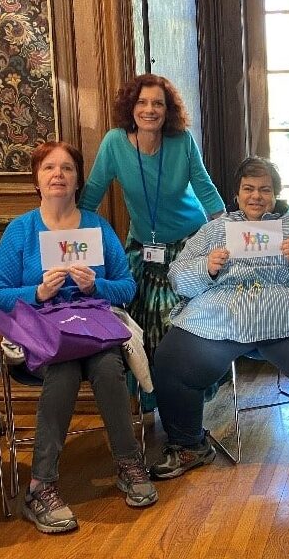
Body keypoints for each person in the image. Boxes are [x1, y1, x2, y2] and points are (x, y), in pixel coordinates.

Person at [148, 156, 289, 484]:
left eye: (264, 189)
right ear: (237, 193)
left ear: (275, 195)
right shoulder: (214, 230)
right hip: (219, 318)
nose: (256, 196)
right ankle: (188, 445)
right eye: (248, 188)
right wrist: (207, 267)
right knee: (172, 359)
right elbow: (177, 277)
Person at [0, 141, 156, 534]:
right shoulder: (21, 230)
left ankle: (128, 463)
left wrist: (96, 285)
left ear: (78, 179)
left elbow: (126, 287)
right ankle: (41, 486)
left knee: (110, 367)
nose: (58, 175)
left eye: (66, 168)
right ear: (37, 180)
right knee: (61, 373)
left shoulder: (96, 226)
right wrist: (38, 292)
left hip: (93, 326)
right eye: (49, 168)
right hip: (45, 331)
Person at [79, 74, 224, 410]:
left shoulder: (182, 141)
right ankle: (149, 402)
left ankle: (185, 401)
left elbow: (204, 188)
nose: (149, 109)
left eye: (157, 103)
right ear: (131, 108)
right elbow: (92, 195)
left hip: (188, 243)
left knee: (174, 320)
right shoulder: (114, 143)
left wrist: (230, 231)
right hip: (142, 246)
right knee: (131, 321)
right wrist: (68, 234)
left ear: (167, 110)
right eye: (142, 102)